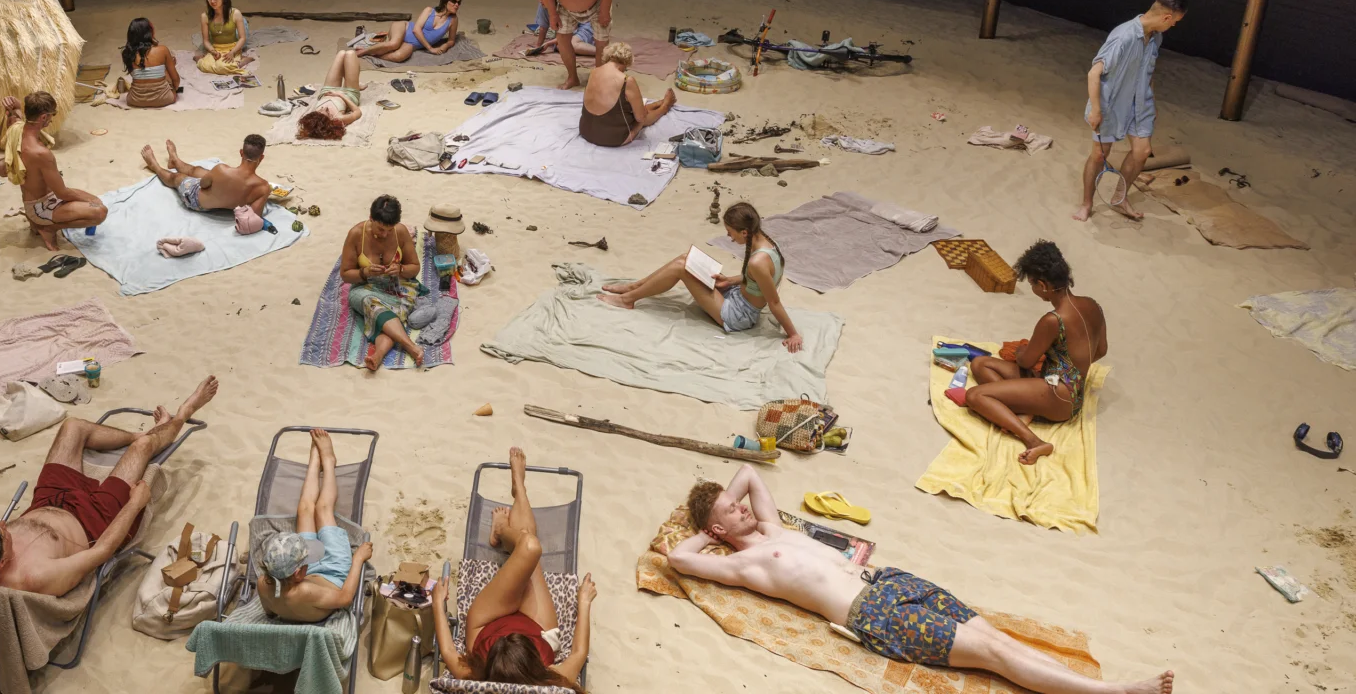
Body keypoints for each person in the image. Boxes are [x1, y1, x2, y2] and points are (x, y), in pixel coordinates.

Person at [670, 466, 1174, 694]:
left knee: (999, 639)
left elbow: (748, 473)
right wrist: (707, 531)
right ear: (717, 531)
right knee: (993, 656)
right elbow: (678, 558)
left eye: (737, 504)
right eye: (731, 511)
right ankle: (1117, 693)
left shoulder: (772, 526)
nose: (742, 507)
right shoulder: (743, 565)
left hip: (892, 580)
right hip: (873, 613)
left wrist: (720, 504)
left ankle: (1097, 687)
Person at [0, 376, 218, 596]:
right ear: (2, 562)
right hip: (95, 519)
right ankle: (182, 415)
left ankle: (139, 434)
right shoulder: (34, 577)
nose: (3, 524)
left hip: (48, 499)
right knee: (143, 449)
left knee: (73, 427)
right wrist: (136, 503)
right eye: (3, 534)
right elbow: (103, 550)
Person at [433, 447, 595, 689]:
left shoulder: (476, 677)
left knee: (529, 547)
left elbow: (447, 650)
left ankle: (503, 527)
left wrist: (437, 603)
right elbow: (578, 653)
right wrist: (584, 602)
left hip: (486, 622)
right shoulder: (550, 681)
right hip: (539, 629)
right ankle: (517, 494)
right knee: (528, 544)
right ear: (535, 666)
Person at [960, 241, 1108, 463]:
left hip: (1058, 396)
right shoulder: (1093, 305)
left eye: (1032, 284)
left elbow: (1026, 362)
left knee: (975, 396)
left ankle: (1034, 441)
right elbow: (1101, 350)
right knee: (980, 363)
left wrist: (1022, 350)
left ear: (1042, 284)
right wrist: (1070, 366)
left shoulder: (1053, 320)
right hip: (1067, 387)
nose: (1033, 290)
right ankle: (1024, 410)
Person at [598, 202, 803, 351]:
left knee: (681, 268)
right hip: (736, 295)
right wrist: (730, 280)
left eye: (730, 232)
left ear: (744, 232)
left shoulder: (757, 262)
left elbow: (774, 302)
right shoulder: (767, 243)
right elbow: (759, 279)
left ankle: (627, 300)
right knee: (685, 259)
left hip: (738, 315)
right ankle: (634, 287)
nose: (729, 237)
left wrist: (793, 333)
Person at [1074, 0, 1185, 222]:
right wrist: (1095, 110)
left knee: (1142, 151)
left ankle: (1120, 198)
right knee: (1100, 154)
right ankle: (1086, 204)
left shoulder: (1156, 38)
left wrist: (1151, 102)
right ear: (1166, 17)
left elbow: (1149, 72)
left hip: (1141, 104)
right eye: (1174, 21)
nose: (1173, 26)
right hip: (1112, 104)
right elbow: (1094, 74)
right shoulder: (1123, 37)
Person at [258, 429, 375, 621]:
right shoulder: (304, 591)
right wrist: (358, 558)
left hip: (304, 575)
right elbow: (345, 598)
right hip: (333, 571)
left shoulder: (265, 584)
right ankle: (328, 463)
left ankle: (314, 461)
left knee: (304, 510)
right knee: (323, 509)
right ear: (298, 572)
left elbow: (270, 612)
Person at [0, 90, 108, 249]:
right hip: (41, 207)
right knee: (100, 211)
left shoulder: (15, 128)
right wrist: (91, 201)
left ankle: (39, 223)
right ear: (43, 117)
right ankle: (48, 228)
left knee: (95, 201)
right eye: (52, 114)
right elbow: (62, 193)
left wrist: (16, 106)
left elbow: (15, 117)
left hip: (35, 201)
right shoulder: (41, 153)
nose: (52, 118)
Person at [340, 194, 425, 372]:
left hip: (399, 286)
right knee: (370, 303)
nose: (385, 234)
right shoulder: (356, 234)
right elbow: (346, 275)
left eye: (389, 230)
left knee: (383, 316)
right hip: (366, 287)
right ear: (371, 218)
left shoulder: (400, 232)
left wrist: (400, 269)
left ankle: (378, 355)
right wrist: (364, 272)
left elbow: (414, 267)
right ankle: (411, 346)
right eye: (380, 229)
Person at [140, 134, 272, 225]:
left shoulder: (221, 170)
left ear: (241, 152)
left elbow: (203, 184)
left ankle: (155, 166)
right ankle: (175, 161)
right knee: (198, 171)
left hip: (197, 201)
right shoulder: (263, 187)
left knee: (178, 178)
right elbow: (255, 216)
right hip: (223, 198)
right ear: (261, 158)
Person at [579, 42, 674, 146]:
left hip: (586, 130)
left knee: (630, 109)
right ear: (626, 62)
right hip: (613, 138)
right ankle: (665, 106)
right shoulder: (627, 81)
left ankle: (658, 103)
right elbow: (641, 118)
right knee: (642, 117)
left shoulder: (593, 72)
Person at [356, 0, 461, 62]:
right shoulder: (429, 10)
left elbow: (451, 40)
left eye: (459, 3)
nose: (457, 5)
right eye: (454, 1)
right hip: (404, 28)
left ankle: (371, 53)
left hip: (412, 44)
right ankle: (363, 52)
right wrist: (430, 48)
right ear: (445, 2)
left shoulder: (453, 20)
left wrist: (445, 46)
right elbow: (416, 30)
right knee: (394, 44)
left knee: (399, 56)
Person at [297, 49, 366, 139]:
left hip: (328, 90)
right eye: (325, 111)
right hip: (348, 95)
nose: (322, 108)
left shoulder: (313, 119)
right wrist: (340, 95)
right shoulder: (338, 118)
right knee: (350, 54)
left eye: (319, 111)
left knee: (341, 53)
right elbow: (357, 112)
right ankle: (354, 84)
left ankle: (353, 82)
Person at [119, 18, 180, 107]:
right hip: (165, 99)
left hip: (135, 100)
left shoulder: (128, 53)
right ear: (150, 33)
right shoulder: (163, 50)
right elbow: (176, 81)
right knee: (167, 70)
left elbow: (140, 76)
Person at [195, 0, 248, 73]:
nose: (212, 1)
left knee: (222, 67)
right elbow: (206, 41)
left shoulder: (235, 13)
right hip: (216, 48)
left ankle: (245, 59)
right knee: (205, 66)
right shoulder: (205, 16)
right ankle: (199, 59)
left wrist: (232, 52)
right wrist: (213, 51)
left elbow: (242, 38)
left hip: (232, 47)